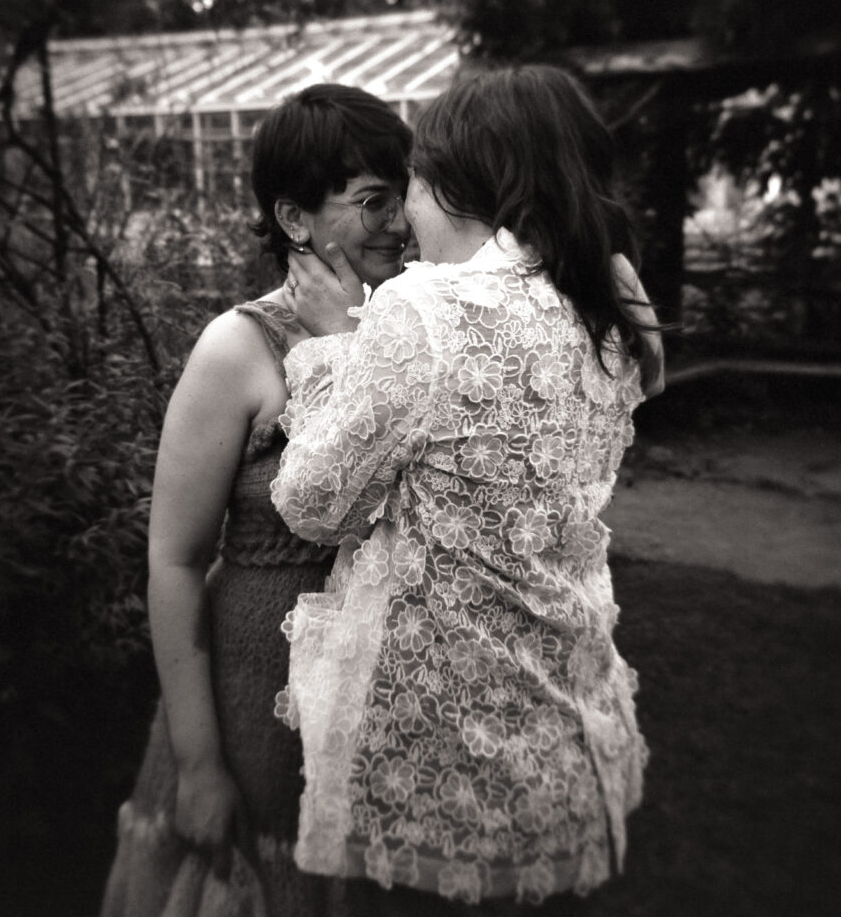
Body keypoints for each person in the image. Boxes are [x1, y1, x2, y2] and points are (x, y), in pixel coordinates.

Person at [270, 65, 662, 915]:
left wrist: (336, 343)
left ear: (456, 183)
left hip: (438, 769)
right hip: (567, 739)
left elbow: (312, 502)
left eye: (409, 183)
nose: (403, 217)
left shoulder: (426, 311)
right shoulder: (606, 303)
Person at [98, 84, 412, 917]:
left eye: (403, 195)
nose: (401, 221)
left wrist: (353, 344)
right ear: (294, 219)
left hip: (380, 715)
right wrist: (201, 763)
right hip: (254, 714)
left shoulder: (412, 334)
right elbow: (173, 560)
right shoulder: (237, 349)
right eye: (372, 201)